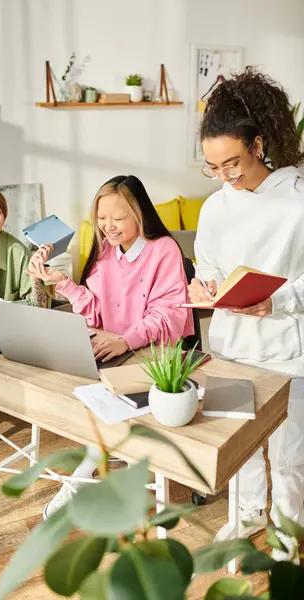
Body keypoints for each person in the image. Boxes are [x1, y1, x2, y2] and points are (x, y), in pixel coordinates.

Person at [27, 174, 194, 518]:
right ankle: (86, 472)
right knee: (57, 383)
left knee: (99, 406)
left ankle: (78, 481)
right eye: (101, 219)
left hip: (153, 357)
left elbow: (168, 317)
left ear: (140, 215)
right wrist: (64, 284)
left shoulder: (164, 250)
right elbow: (96, 311)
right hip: (109, 352)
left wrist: (124, 340)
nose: (108, 227)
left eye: (117, 219)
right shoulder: (105, 250)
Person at [188, 67, 304, 561]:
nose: (224, 175)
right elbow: (208, 266)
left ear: (258, 144)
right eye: (213, 166)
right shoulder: (215, 207)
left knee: (289, 454)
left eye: (231, 161)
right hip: (232, 346)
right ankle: (248, 512)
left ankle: (288, 532)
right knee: (238, 445)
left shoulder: (298, 199)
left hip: (287, 350)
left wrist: (276, 299)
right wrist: (203, 283)